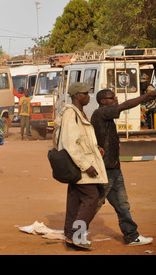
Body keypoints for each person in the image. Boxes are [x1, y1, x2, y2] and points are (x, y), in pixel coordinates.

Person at [91, 88, 156, 246]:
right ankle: (74, 231)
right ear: (103, 101)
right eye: (111, 98)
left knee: (122, 204)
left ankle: (131, 236)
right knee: (93, 204)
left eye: (115, 97)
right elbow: (125, 106)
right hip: (105, 169)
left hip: (114, 167)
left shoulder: (104, 115)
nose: (115, 100)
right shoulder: (101, 113)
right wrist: (147, 96)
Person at [54, 82, 108, 251]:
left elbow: (80, 139)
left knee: (75, 200)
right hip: (81, 165)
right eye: (85, 93)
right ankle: (77, 235)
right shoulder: (72, 114)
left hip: (80, 164)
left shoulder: (79, 113)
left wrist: (95, 148)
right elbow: (70, 143)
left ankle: (71, 236)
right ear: (76, 95)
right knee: (92, 197)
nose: (88, 96)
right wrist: (86, 165)